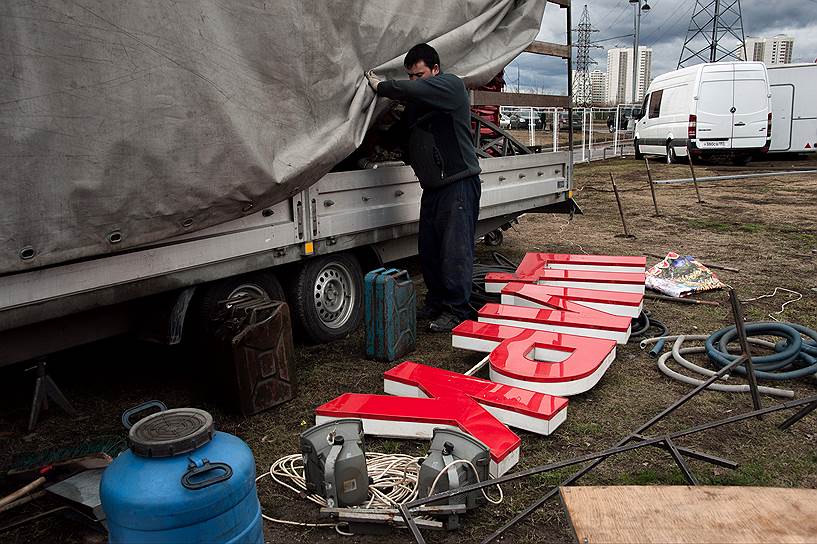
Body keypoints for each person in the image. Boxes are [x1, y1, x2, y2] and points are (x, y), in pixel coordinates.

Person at [365, 43, 481, 332]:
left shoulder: (451, 88)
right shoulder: (416, 109)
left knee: (454, 251)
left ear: (436, 70)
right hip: (433, 188)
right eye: (411, 76)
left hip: (458, 184)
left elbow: (412, 91)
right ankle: (437, 303)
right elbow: (397, 135)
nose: (415, 82)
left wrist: (382, 87)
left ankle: (458, 309)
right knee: (429, 250)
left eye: (420, 75)